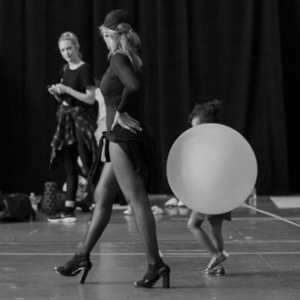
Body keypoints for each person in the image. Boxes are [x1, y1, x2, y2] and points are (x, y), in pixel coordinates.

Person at [54, 9, 170, 288]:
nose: (105, 41)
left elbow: (132, 87)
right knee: (103, 196)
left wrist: (118, 111)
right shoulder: (129, 58)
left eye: (106, 36)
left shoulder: (118, 57)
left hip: (123, 137)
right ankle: (81, 256)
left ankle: (156, 265)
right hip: (122, 137)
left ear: (113, 35)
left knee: (137, 200)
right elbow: (130, 85)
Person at [47, 32, 97, 222]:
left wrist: (67, 89)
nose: (66, 53)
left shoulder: (85, 69)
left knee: (87, 164)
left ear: (76, 47)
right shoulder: (64, 69)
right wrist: (57, 93)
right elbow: (65, 99)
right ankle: (69, 207)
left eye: (69, 48)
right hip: (66, 120)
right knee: (69, 166)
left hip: (81, 120)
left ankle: (97, 205)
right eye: (62, 50)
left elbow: (90, 98)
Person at [186, 99, 230, 275]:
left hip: (209, 192)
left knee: (192, 225)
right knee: (215, 230)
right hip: (223, 192)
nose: (191, 131)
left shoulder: (206, 146)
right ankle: (218, 265)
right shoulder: (222, 142)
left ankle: (216, 255)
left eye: (195, 127)